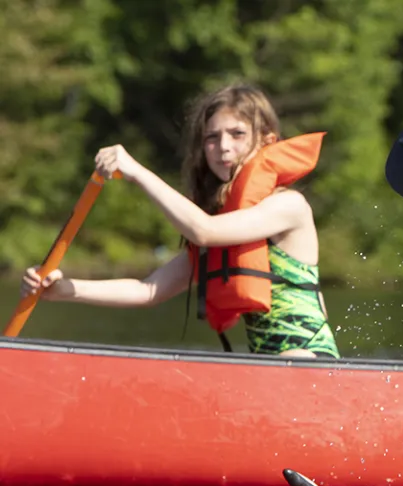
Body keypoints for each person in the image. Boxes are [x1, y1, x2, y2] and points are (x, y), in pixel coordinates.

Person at [19, 83, 339, 358]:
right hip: (269, 370)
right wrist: (63, 290)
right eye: (212, 137)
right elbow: (148, 291)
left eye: (237, 134)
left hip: (307, 360)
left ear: (267, 141)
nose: (223, 147)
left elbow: (204, 230)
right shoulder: (224, 227)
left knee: (290, 360)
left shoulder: (288, 206)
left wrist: (136, 171)